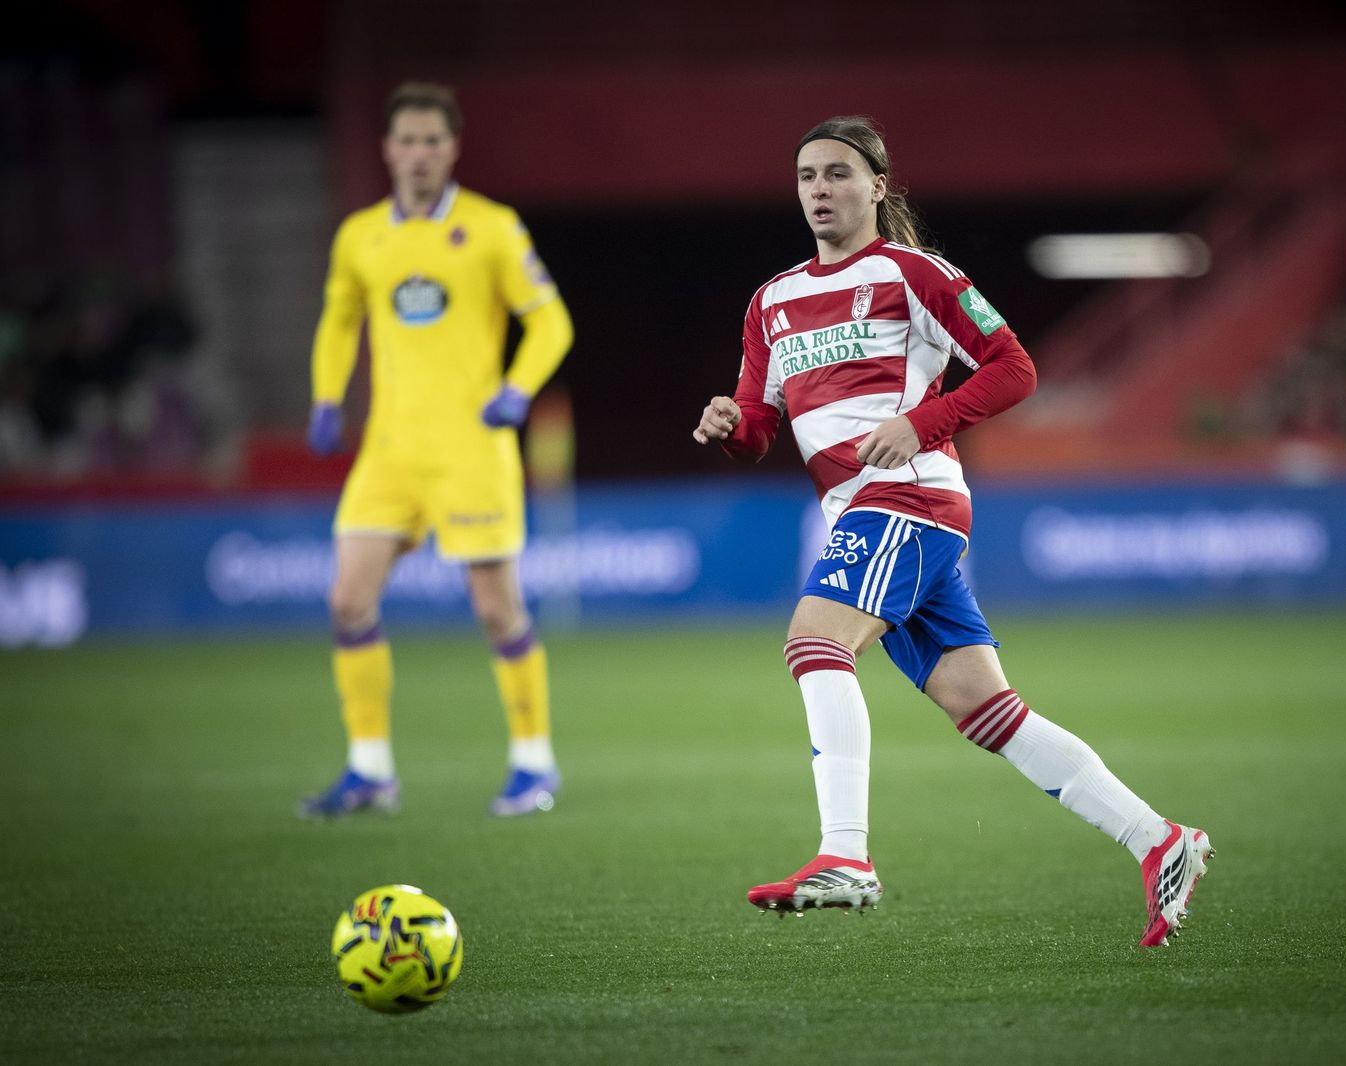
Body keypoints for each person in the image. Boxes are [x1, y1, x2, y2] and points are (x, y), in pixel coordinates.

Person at [693, 116, 1214, 946]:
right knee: (984, 708)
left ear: (878, 187)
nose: (820, 190)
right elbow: (760, 426)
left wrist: (923, 421)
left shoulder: (916, 274)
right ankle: (1157, 840)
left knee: (814, 643)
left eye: (837, 174)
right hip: (863, 508)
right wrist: (732, 424)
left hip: (907, 496)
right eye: (806, 177)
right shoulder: (771, 303)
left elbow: (1015, 367)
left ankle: (846, 855)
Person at [300, 82, 573, 819]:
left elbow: (550, 323)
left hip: (469, 449)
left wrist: (516, 390)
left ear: (451, 148)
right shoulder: (361, 236)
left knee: (497, 610)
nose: (418, 153)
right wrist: (327, 398)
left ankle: (533, 762)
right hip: (389, 451)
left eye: (432, 141)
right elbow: (338, 323)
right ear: (386, 149)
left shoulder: (490, 228)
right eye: (406, 140)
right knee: (348, 601)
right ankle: (369, 770)